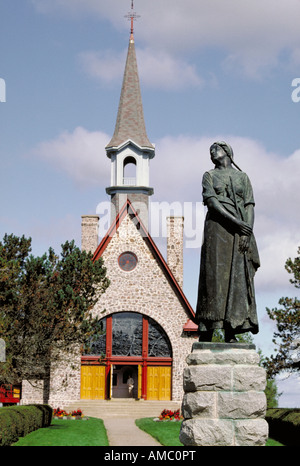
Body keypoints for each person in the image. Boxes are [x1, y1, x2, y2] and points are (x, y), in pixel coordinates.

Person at [195, 141, 260, 343]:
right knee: (213, 279)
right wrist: (237, 223)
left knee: (237, 277)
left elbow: (249, 205)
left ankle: (232, 329)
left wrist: (246, 232)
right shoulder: (209, 176)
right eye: (210, 150)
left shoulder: (243, 177)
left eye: (215, 149)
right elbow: (212, 202)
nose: (212, 152)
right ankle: (208, 329)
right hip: (217, 229)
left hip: (239, 233)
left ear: (227, 152)